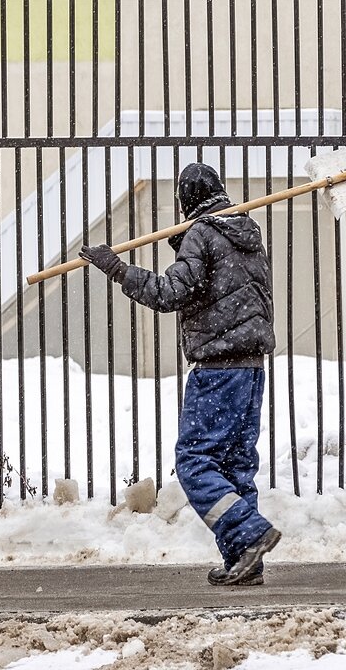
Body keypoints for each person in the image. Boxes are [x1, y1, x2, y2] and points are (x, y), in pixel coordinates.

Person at [79, 162, 281, 586]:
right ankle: (245, 559)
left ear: (185, 202)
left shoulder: (203, 235)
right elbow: (219, 285)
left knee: (195, 461)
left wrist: (117, 269)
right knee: (234, 464)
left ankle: (249, 534)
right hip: (251, 368)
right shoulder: (245, 235)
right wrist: (185, 244)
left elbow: (171, 293)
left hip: (218, 370)